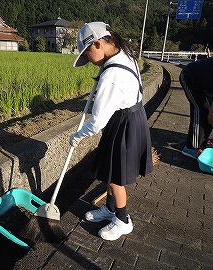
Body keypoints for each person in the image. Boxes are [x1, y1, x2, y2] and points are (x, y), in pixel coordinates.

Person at [69, 22, 153, 240]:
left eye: (87, 55)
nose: (88, 61)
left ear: (97, 44)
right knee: (110, 169)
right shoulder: (125, 55)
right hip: (130, 117)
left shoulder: (112, 75)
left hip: (124, 123)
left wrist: (77, 136)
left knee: (116, 176)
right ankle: (109, 209)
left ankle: (123, 220)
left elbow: (96, 123)